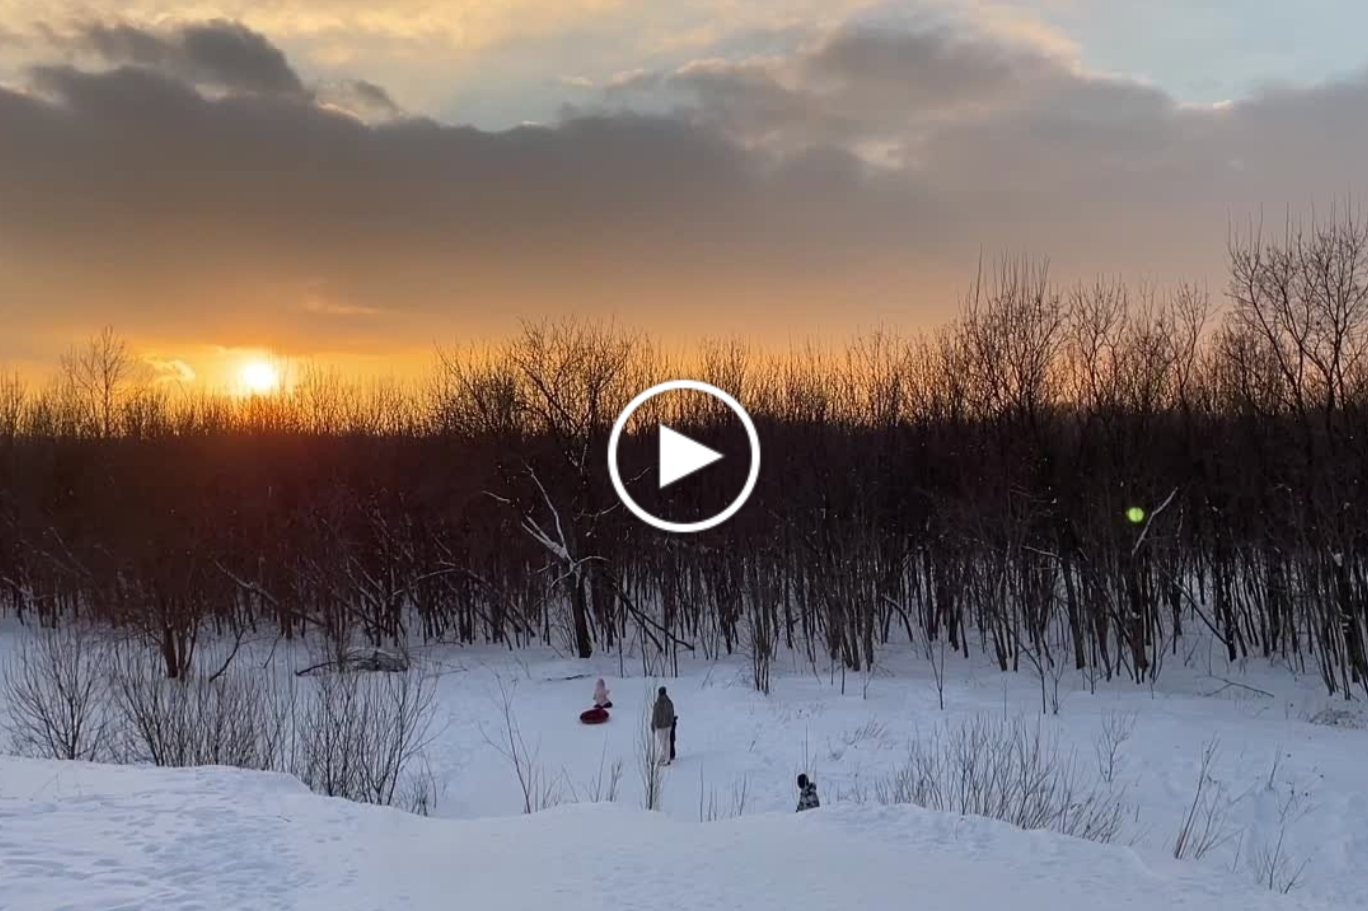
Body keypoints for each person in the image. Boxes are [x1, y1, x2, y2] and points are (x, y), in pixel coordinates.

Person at [651, 686, 675, 765]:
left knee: (663, 743)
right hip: (668, 725)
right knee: (667, 741)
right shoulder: (669, 702)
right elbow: (672, 713)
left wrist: (653, 724)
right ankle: (666, 756)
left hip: (660, 726)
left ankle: (666, 758)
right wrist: (671, 722)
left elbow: (654, 715)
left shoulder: (657, 704)